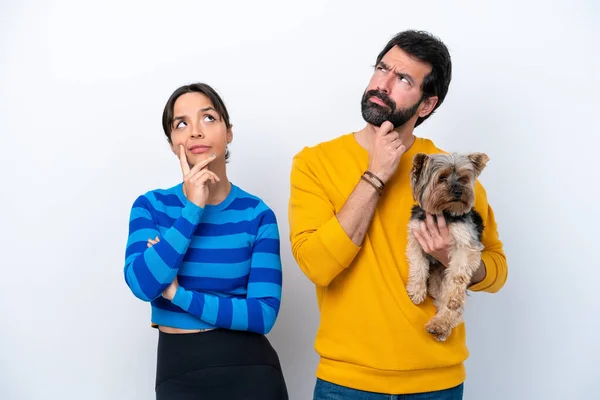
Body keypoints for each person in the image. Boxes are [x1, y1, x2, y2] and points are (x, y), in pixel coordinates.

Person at [288, 30, 508, 399]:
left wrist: (450, 256)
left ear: (426, 105)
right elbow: (316, 266)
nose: (383, 84)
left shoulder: (452, 177)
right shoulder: (315, 162)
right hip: (346, 384)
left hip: (436, 383)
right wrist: (375, 174)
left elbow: (497, 269)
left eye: (403, 79)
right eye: (381, 69)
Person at [123, 83, 288, 399]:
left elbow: (263, 315)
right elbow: (143, 285)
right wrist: (193, 207)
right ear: (173, 143)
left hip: (251, 372)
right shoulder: (151, 207)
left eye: (208, 118)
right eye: (181, 123)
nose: (195, 132)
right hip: (178, 372)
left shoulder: (257, 214)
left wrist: (177, 294)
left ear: (229, 133)